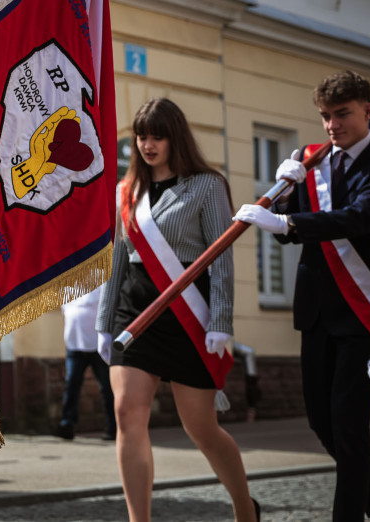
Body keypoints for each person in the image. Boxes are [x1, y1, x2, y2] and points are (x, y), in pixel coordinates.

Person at [96, 98, 258, 522]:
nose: (148, 145)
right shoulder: (125, 192)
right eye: (142, 137)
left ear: (175, 138)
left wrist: (221, 321)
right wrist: (103, 323)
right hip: (133, 314)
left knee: (201, 428)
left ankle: (244, 508)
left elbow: (221, 258)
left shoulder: (207, 185)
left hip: (189, 316)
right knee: (127, 413)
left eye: (157, 136)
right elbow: (115, 261)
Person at [237, 70, 370, 521]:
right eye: (325, 116)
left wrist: (287, 223)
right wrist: (282, 199)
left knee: (348, 425)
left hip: (363, 312)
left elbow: (359, 217)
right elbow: (285, 234)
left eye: (343, 114)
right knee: (321, 421)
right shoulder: (312, 161)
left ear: (368, 111)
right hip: (317, 311)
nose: (333, 125)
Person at [55, 284, 116, 441]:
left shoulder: (101, 282)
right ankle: (67, 424)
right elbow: (65, 313)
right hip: (74, 347)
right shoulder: (67, 285)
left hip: (97, 347)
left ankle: (113, 427)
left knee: (107, 388)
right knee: (71, 385)